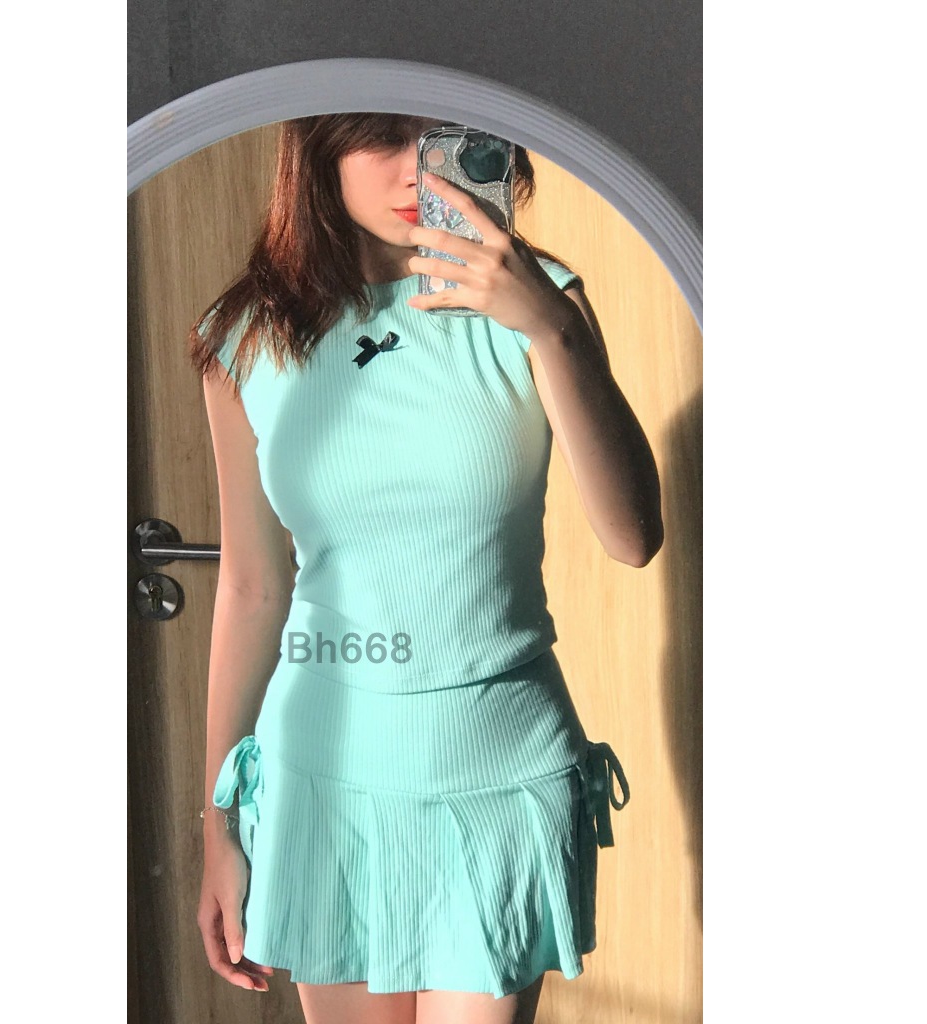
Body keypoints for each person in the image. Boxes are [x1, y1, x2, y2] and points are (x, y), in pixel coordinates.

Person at [190, 113, 663, 1024]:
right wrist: (216, 827)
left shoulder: (541, 307)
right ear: (318, 145)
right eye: (383, 136)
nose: (419, 170)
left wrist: (550, 329)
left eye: (442, 136)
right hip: (322, 771)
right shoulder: (245, 336)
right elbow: (251, 587)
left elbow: (632, 536)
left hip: (498, 770)